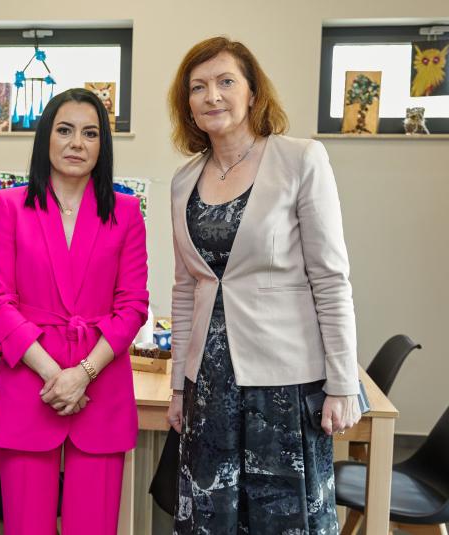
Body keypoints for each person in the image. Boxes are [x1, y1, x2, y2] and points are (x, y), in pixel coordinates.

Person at [166, 37, 361, 533]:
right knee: (213, 519)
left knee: (284, 519)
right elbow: (186, 289)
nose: (212, 96)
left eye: (225, 81)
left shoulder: (300, 159)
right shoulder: (183, 181)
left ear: (253, 92)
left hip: (284, 383)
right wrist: (178, 386)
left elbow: (330, 278)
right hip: (209, 384)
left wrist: (342, 383)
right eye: (198, 87)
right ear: (187, 104)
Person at [0, 88, 148, 535]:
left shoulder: (126, 211)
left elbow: (133, 306)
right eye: (65, 130)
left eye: (90, 133)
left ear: (102, 145)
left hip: (101, 385)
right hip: (30, 382)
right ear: (46, 139)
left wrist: (84, 374)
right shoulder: (9, 207)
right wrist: (56, 375)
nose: (77, 143)